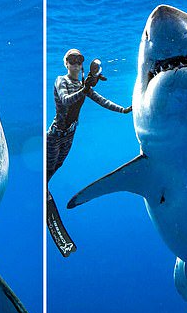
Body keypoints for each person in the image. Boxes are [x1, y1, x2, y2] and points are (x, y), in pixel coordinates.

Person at [47, 49, 132, 257]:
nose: (75, 64)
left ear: (82, 65)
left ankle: (44, 189)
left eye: (79, 61)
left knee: (56, 168)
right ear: (66, 63)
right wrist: (85, 88)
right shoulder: (61, 81)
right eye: (71, 61)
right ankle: (43, 194)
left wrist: (124, 110)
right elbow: (66, 100)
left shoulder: (82, 84)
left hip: (69, 136)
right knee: (47, 173)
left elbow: (101, 100)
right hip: (55, 135)